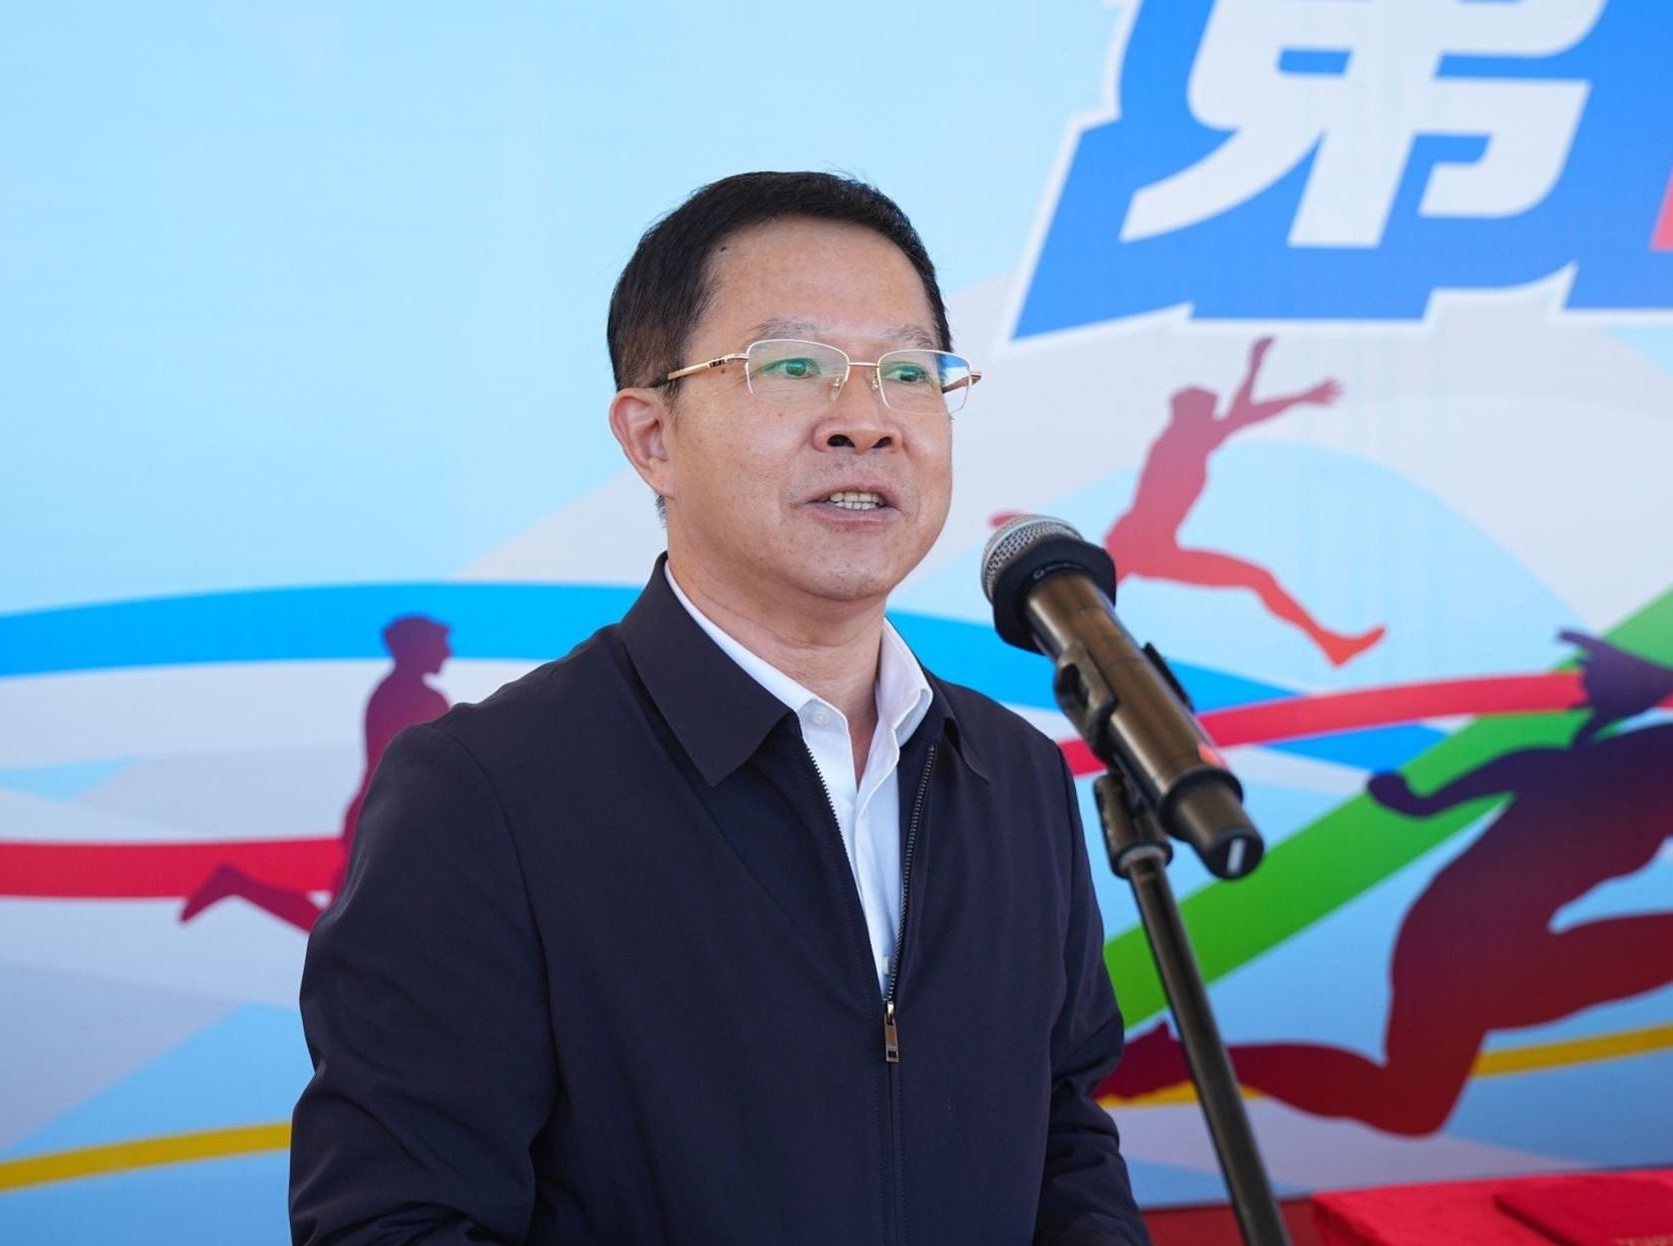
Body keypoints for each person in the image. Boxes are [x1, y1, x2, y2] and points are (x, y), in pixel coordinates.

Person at [290, 172, 1149, 1245]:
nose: (865, 422)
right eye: (790, 366)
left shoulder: (1014, 772)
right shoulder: (484, 795)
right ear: (651, 436)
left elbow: (1065, 1140)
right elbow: (396, 1222)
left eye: (907, 372)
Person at [1104, 630, 1673, 1136]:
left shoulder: (1561, 763)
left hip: (1470, 939)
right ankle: (1172, 1061)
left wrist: (1408, 797)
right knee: (1409, 1104)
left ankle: (1173, 1061)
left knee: (1410, 1104)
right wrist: (1404, 796)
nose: (1582, 684)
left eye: (1593, 676)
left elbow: (1423, 802)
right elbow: (1423, 801)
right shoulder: (1590, 765)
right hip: (1460, 947)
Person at [1104, 336, 1383, 667]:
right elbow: (1242, 414)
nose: (1214, 417)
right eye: (1208, 412)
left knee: (1258, 579)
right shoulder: (1179, 442)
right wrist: (1260, 370)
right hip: (1137, 544)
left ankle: (1330, 645)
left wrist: (1275, 381)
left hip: (1157, 548)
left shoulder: (1188, 441)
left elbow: (1242, 414)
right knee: (1080, 602)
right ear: (1189, 414)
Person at [179, 614, 451, 931]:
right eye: (439, 644)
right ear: (415, 649)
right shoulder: (415, 698)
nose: (447, 652)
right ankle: (238, 884)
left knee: (338, 926)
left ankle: (238, 884)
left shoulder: (398, 694)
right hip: (388, 821)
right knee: (339, 927)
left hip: (381, 817)